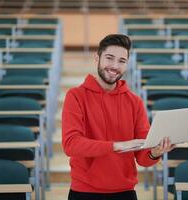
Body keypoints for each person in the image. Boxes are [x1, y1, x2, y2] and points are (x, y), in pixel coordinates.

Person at [62, 34, 174, 200]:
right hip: (85, 192)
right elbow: (71, 145)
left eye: (122, 61)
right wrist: (116, 146)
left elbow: (143, 158)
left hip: (125, 192)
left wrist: (155, 152)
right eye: (109, 58)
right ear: (97, 58)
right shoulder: (76, 96)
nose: (115, 66)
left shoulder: (134, 101)